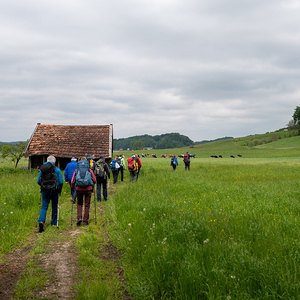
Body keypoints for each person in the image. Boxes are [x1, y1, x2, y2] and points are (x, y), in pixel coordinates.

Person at [37, 155, 64, 233]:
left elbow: (38, 181)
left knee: (44, 207)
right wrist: (59, 189)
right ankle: (53, 222)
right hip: (54, 190)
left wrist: (42, 186)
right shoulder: (57, 169)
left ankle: (41, 221)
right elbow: (61, 182)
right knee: (54, 206)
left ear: (47, 160)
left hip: (45, 190)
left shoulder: (42, 169)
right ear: (54, 162)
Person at [71, 157, 96, 226]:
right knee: (87, 205)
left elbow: (72, 180)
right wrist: (92, 184)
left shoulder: (77, 170)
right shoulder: (89, 170)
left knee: (79, 203)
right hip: (88, 189)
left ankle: (79, 217)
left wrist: (73, 187)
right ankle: (85, 221)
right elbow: (94, 180)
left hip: (79, 189)